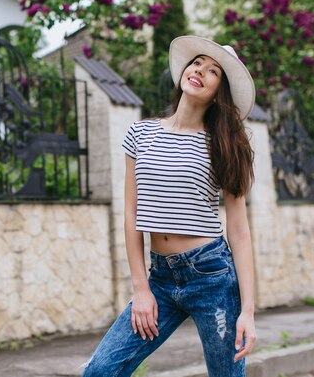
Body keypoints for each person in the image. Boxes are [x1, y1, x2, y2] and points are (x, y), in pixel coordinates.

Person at [82, 36, 257, 377]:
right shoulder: (141, 134)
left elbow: (239, 232)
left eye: (213, 71)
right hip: (160, 277)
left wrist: (247, 310)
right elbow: (131, 215)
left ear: (219, 92)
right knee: (100, 371)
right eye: (197, 63)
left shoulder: (223, 146)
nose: (200, 71)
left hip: (212, 277)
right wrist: (140, 289)